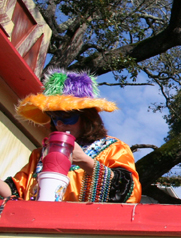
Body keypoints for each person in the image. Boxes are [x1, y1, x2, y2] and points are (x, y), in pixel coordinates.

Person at [1, 70, 142, 203]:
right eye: (55, 118)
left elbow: (130, 193)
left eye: (67, 117)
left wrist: (84, 161)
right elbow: (15, 192)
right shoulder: (39, 155)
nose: (60, 125)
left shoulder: (114, 148)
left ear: (86, 117)